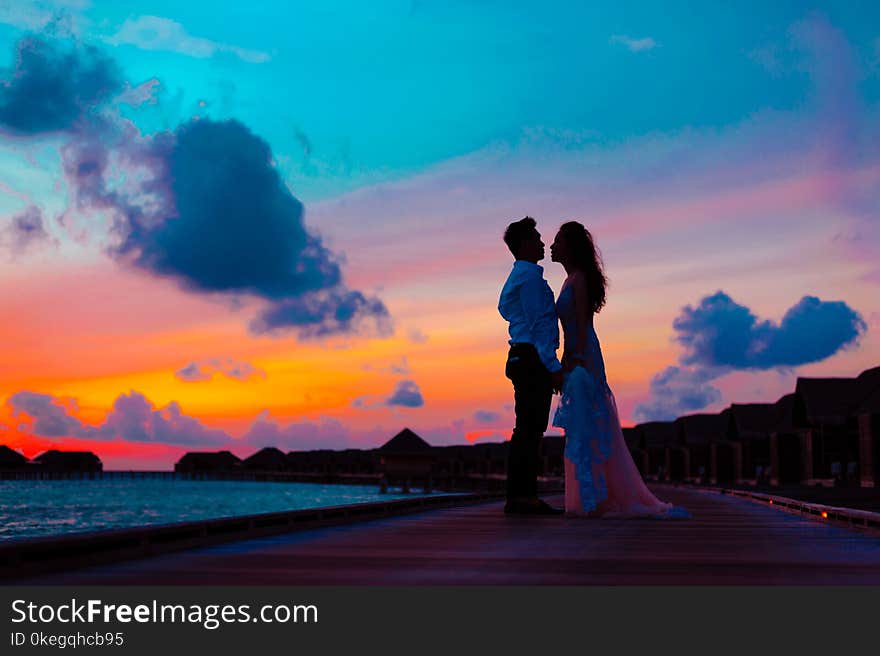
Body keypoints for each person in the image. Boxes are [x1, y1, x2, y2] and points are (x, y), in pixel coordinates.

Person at [549, 221, 689, 518]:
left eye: (558, 241)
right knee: (581, 424)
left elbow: (585, 326)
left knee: (591, 424)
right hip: (574, 356)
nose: (552, 246)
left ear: (570, 247)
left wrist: (574, 361)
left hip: (583, 357)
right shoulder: (569, 280)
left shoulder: (580, 279)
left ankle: (594, 498)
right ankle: (586, 497)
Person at [498, 217, 565, 515]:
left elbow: (505, 309)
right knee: (530, 429)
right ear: (524, 243)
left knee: (527, 427)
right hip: (531, 357)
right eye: (537, 238)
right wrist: (553, 367)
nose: (542, 243)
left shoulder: (520, 277)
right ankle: (523, 498)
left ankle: (520, 496)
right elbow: (539, 327)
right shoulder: (529, 280)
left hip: (521, 355)